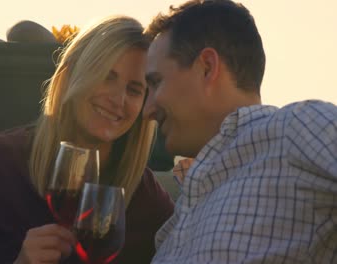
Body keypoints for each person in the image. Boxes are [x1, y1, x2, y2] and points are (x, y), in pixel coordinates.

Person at [0, 15, 174, 264]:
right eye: (106, 76)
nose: (118, 99)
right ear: (69, 75)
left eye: (134, 90)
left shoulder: (147, 201)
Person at [142, 0, 337, 263]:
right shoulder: (175, 225)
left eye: (156, 82)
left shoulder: (294, 129)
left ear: (207, 67)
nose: (147, 110)